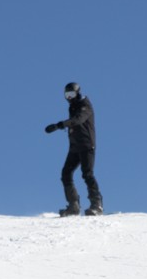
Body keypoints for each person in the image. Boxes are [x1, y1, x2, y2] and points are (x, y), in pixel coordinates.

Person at [44, 82, 103, 216]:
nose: (69, 98)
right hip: (75, 146)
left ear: (78, 93)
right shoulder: (72, 107)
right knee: (66, 173)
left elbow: (78, 120)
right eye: (67, 95)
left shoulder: (85, 105)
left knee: (87, 173)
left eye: (71, 94)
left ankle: (97, 204)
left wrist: (59, 125)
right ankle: (73, 205)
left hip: (87, 145)